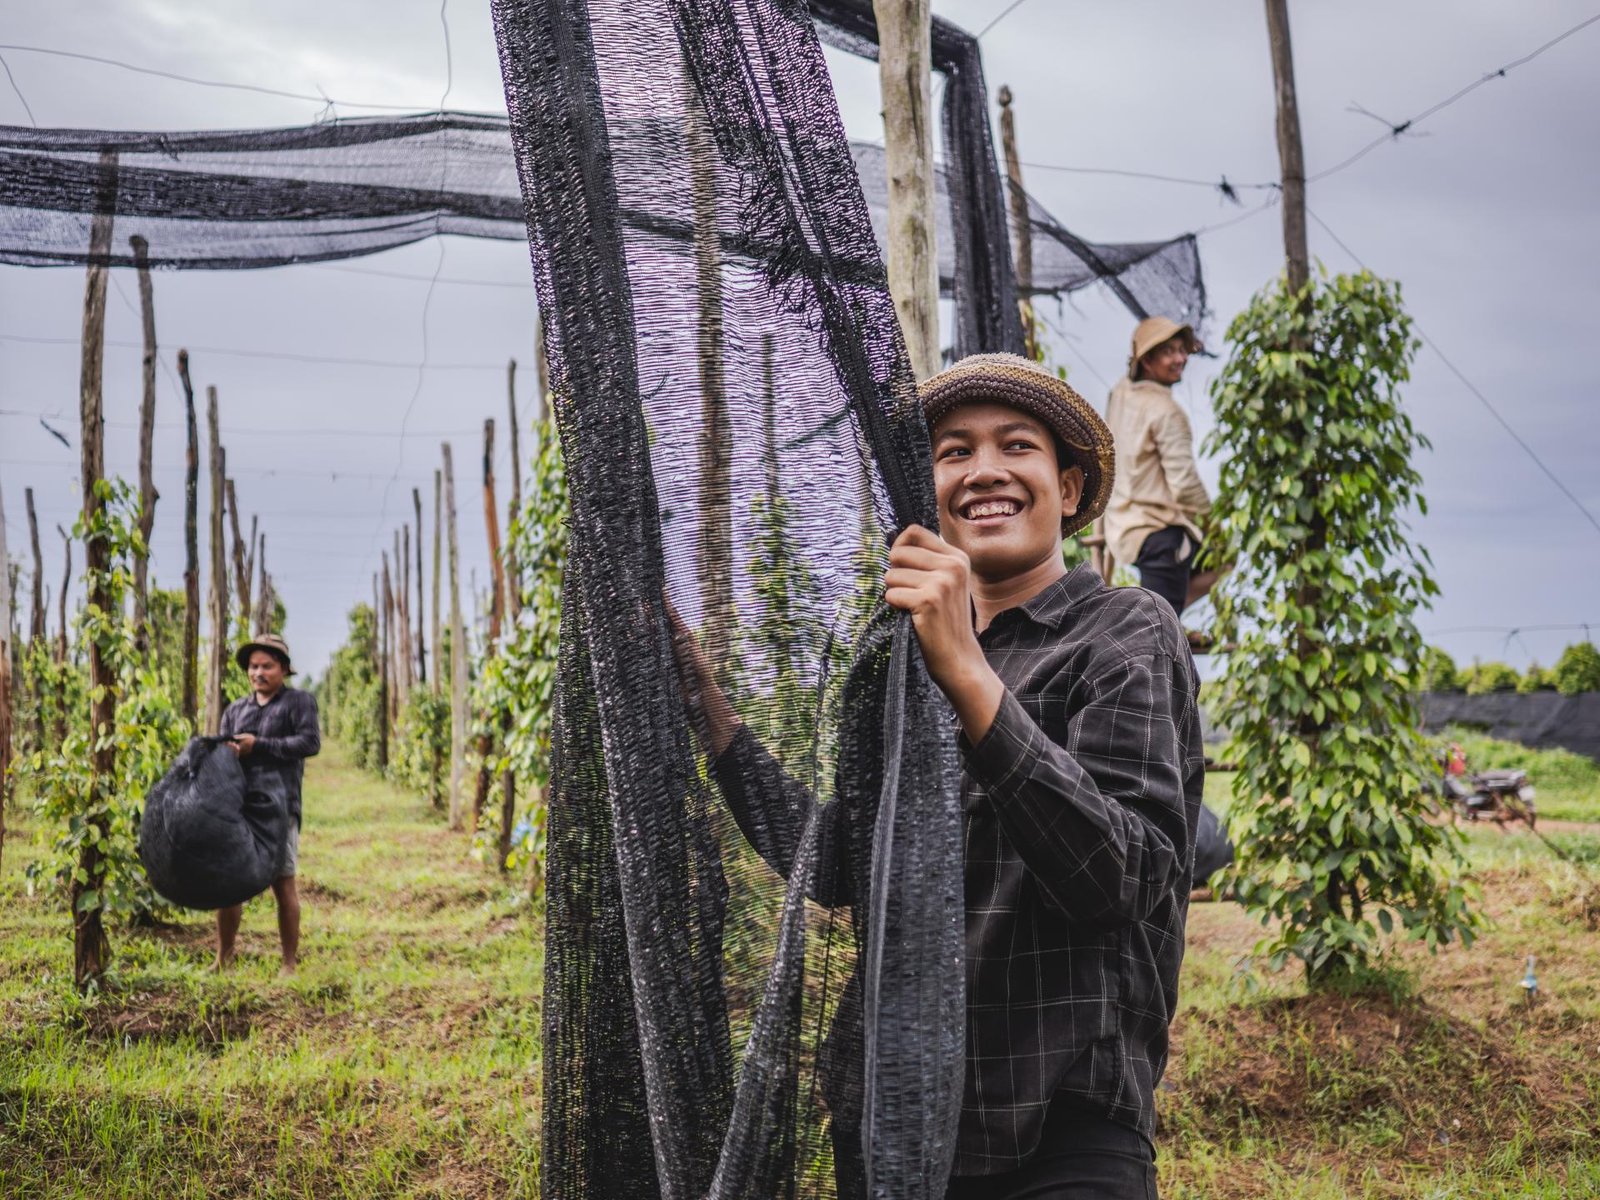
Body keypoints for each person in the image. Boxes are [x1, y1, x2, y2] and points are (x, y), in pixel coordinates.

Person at [675, 353, 1203, 1199]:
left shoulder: (1122, 631)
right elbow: (848, 864)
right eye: (953, 451)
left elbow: (1123, 875)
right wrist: (716, 723)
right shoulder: (893, 661)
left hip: (1061, 1126)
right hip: (891, 1112)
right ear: (927, 496)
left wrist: (966, 672)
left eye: (1017, 446)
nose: (985, 469)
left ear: (1068, 490)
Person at [214, 633, 320, 974]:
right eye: (254, 666)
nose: (259, 672)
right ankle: (223, 957)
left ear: (284, 670)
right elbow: (223, 754)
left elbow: (308, 742)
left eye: (268, 666)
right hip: (240, 808)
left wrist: (258, 746)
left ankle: (289, 964)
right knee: (230, 884)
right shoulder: (235, 710)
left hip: (279, 805)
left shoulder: (298, 703)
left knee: (282, 881)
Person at [1104, 316, 1219, 617]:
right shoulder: (1167, 412)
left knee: (1159, 618)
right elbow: (1185, 486)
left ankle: (1166, 616)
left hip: (1119, 522)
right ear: (1147, 360)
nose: (1180, 358)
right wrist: (1213, 525)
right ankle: (1158, 621)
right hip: (1156, 534)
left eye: (1182, 350)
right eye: (1169, 352)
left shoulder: (1120, 393)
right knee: (1224, 556)